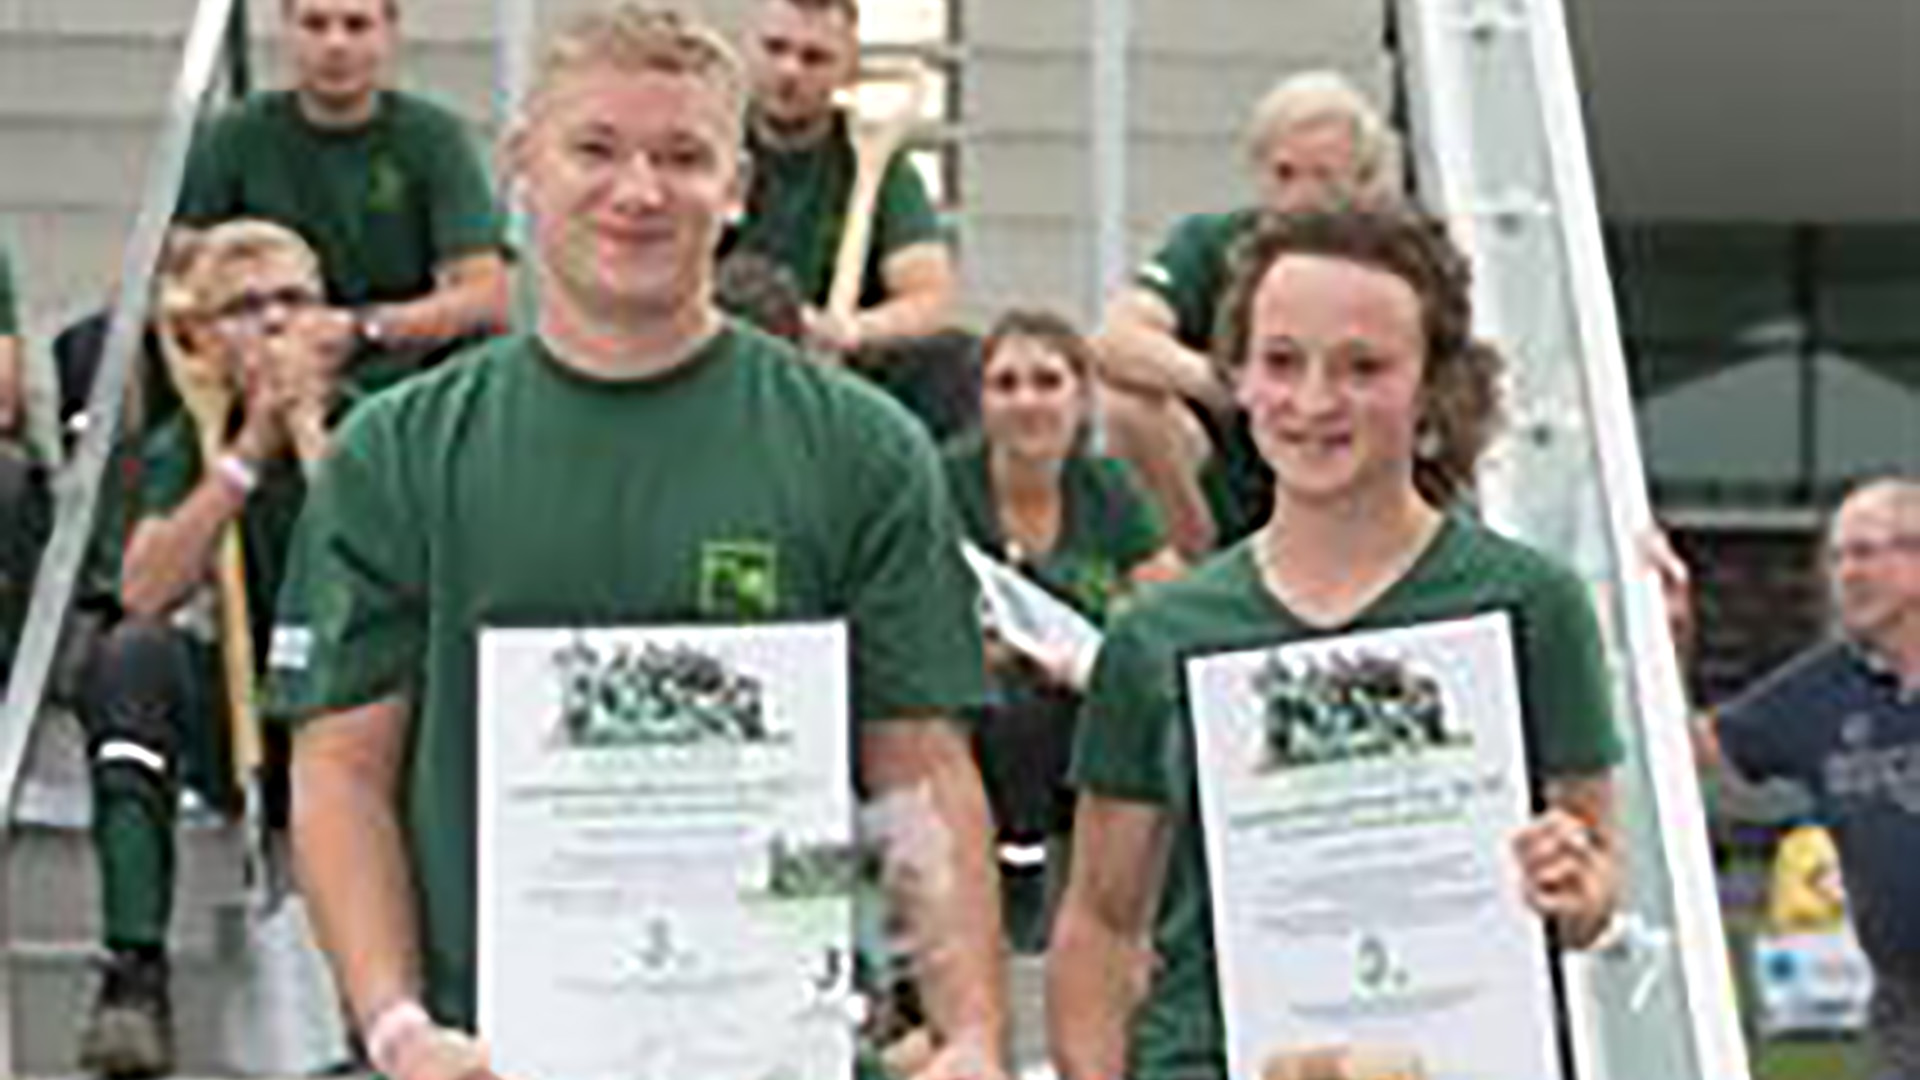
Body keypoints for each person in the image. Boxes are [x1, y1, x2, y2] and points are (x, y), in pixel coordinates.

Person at [267, 8, 1006, 1080]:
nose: (639, 191)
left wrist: (973, 1030)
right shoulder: (399, 453)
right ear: (523, 166)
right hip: (490, 1055)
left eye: (683, 156)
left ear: (739, 187)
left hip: (778, 1047)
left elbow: (920, 768)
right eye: (596, 149)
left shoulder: (863, 450)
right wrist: (397, 1026)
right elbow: (339, 772)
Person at [1047, 209, 1624, 1080]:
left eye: (1363, 367)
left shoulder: (1531, 604)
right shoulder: (1157, 638)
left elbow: (1591, 891)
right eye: (1281, 362)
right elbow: (1099, 920)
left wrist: (1578, 886)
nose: (1314, 401)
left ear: (1434, 390)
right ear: (1237, 376)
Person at [76, 220, 344, 1079]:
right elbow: (144, 589)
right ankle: (133, 976)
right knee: (130, 658)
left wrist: (306, 434)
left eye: (292, 302)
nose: (271, 325)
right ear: (204, 334)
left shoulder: (383, 424)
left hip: (355, 721)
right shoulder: (184, 443)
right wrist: (248, 450)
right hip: (241, 727)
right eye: (244, 307)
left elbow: (386, 569)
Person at [941, 308, 1181, 950]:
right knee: (1018, 710)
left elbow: (1167, 603)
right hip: (981, 689)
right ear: (982, 402)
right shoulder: (943, 484)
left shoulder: (1108, 486)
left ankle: (1140, 898)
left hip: (1089, 690)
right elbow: (914, 608)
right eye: (1007, 384)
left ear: (1081, 398)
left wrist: (1112, 644)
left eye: (1048, 382)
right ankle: (1020, 865)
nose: (1028, 401)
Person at [1669, 479, 1920, 1079]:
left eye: (1864, 553)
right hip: (1907, 1015)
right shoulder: (1821, 688)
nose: (1846, 574)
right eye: (1835, 557)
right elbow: (1684, 750)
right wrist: (1670, 641)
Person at [1097, 70, 1401, 556]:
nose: (1299, 198)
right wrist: (1229, 385)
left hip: (1350, 468)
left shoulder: (1392, 269)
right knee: (1129, 404)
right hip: (1227, 479)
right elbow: (1115, 340)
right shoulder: (1215, 245)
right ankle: (1196, 575)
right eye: (1283, 174)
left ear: (1362, 185)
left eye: (1322, 178)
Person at [175, 0, 509, 395]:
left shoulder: (434, 139)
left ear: (389, 33)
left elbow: (487, 295)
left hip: (400, 371)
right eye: (315, 25)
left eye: (356, 25)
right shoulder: (235, 137)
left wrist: (362, 328)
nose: (335, 44)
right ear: (288, 31)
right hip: (262, 363)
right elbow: (179, 277)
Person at [729, 0, 973, 435]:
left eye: (814, 58)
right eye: (775, 48)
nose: (790, 71)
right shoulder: (711, 144)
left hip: (838, 369)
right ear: (749, 48)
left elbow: (930, 299)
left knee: (955, 361)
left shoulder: (874, 163)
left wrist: (852, 329)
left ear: (847, 70)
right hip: (726, 352)